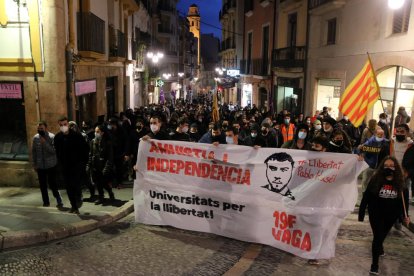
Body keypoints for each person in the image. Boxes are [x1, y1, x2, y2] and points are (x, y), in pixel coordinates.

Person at [358, 156, 410, 275]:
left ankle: (380, 247)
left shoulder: (400, 182)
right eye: (386, 166)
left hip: (391, 215)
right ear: (382, 167)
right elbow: (366, 197)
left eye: (391, 166)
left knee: (381, 236)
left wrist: (404, 216)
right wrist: (361, 214)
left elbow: (404, 201)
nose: (389, 168)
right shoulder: (376, 179)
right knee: (377, 237)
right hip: (375, 213)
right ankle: (374, 265)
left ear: (396, 168)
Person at [54, 116, 89, 214]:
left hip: (77, 166)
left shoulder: (77, 136)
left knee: (76, 185)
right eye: (61, 125)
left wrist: (82, 164)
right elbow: (57, 152)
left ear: (68, 125)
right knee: (68, 187)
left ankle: (78, 199)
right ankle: (74, 206)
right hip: (65, 167)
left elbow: (85, 150)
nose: (63, 126)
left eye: (65, 124)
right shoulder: (58, 138)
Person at [32, 121, 63, 208]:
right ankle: (46, 202)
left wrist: (44, 143)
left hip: (51, 165)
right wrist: (34, 164)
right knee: (42, 185)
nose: (40, 130)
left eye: (41, 128)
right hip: (40, 166)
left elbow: (53, 151)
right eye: (38, 129)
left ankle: (58, 198)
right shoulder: (35, 138)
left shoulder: (52, 137)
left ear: (46, 128)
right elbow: (34, 152)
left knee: (53, 184)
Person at [87, 125, 115, 204]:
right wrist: (89, 165)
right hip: (95, 166)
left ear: (102, 133)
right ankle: (101, 197)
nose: (95, 133)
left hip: (103, 166)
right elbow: (90, 154)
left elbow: (110, 157)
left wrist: (106, 168)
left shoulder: (107, 142)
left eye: (97, 132)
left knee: (103, 182)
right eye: (95, 132)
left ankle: (110, 192)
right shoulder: (93, 141)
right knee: (97, 183)